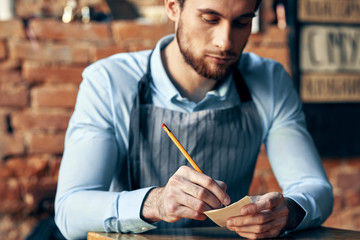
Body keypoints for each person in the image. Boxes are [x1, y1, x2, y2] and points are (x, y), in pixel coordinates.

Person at [54, 0, 333, 239]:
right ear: (173, 6)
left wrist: (289, 211)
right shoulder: (110, 82)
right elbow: (69, 211)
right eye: (210, 19)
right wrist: (156, 203)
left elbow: (314, 187)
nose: (225, 42)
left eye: (241, 22)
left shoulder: (269, 80)